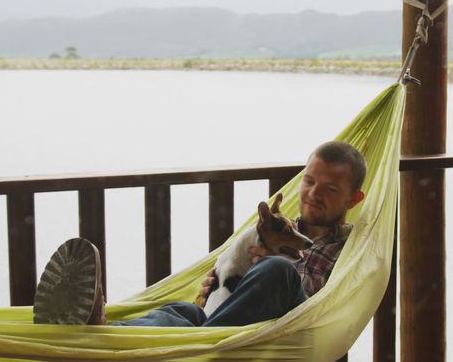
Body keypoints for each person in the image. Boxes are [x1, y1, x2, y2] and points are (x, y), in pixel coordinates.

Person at [32, 140, 366, 328]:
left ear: (353, 199)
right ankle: (104, 332)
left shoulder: (354, 245)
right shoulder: (278, 229)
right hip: (231, 326)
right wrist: (218, 285)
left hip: (289, 332)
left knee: (277, 270)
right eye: (309, 181)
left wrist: (272, 270)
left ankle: (199, 342)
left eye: (330, 188)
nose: (312, 194)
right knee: (183, 311)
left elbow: (325, 310)